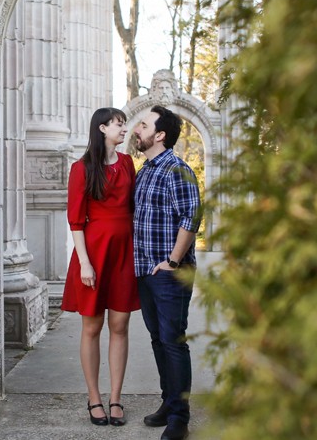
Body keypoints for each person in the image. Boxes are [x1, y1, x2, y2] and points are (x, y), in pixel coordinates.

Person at [61, 107, 140, 427]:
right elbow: (76, 220)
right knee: (92, 328)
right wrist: (84, 264)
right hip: (92, 253)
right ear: (102, 128)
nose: (124, 129)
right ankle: (94, 397)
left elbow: (134, 208)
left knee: (120, 326)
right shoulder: (82, 169)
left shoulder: (127, 163)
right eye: (119, 125)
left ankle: (116, 397)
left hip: (124, 252)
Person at [131, 105, 201, 440]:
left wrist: (172, 261)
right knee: (159, 340)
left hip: (169, 273)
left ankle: (179, 418)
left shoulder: (177, 169)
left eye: (143, 125)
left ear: (159, 135)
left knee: (173, 342)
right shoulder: (144, 171)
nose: (136, 129)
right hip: (145, 270)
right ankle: (168, 402)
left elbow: (191, 218)